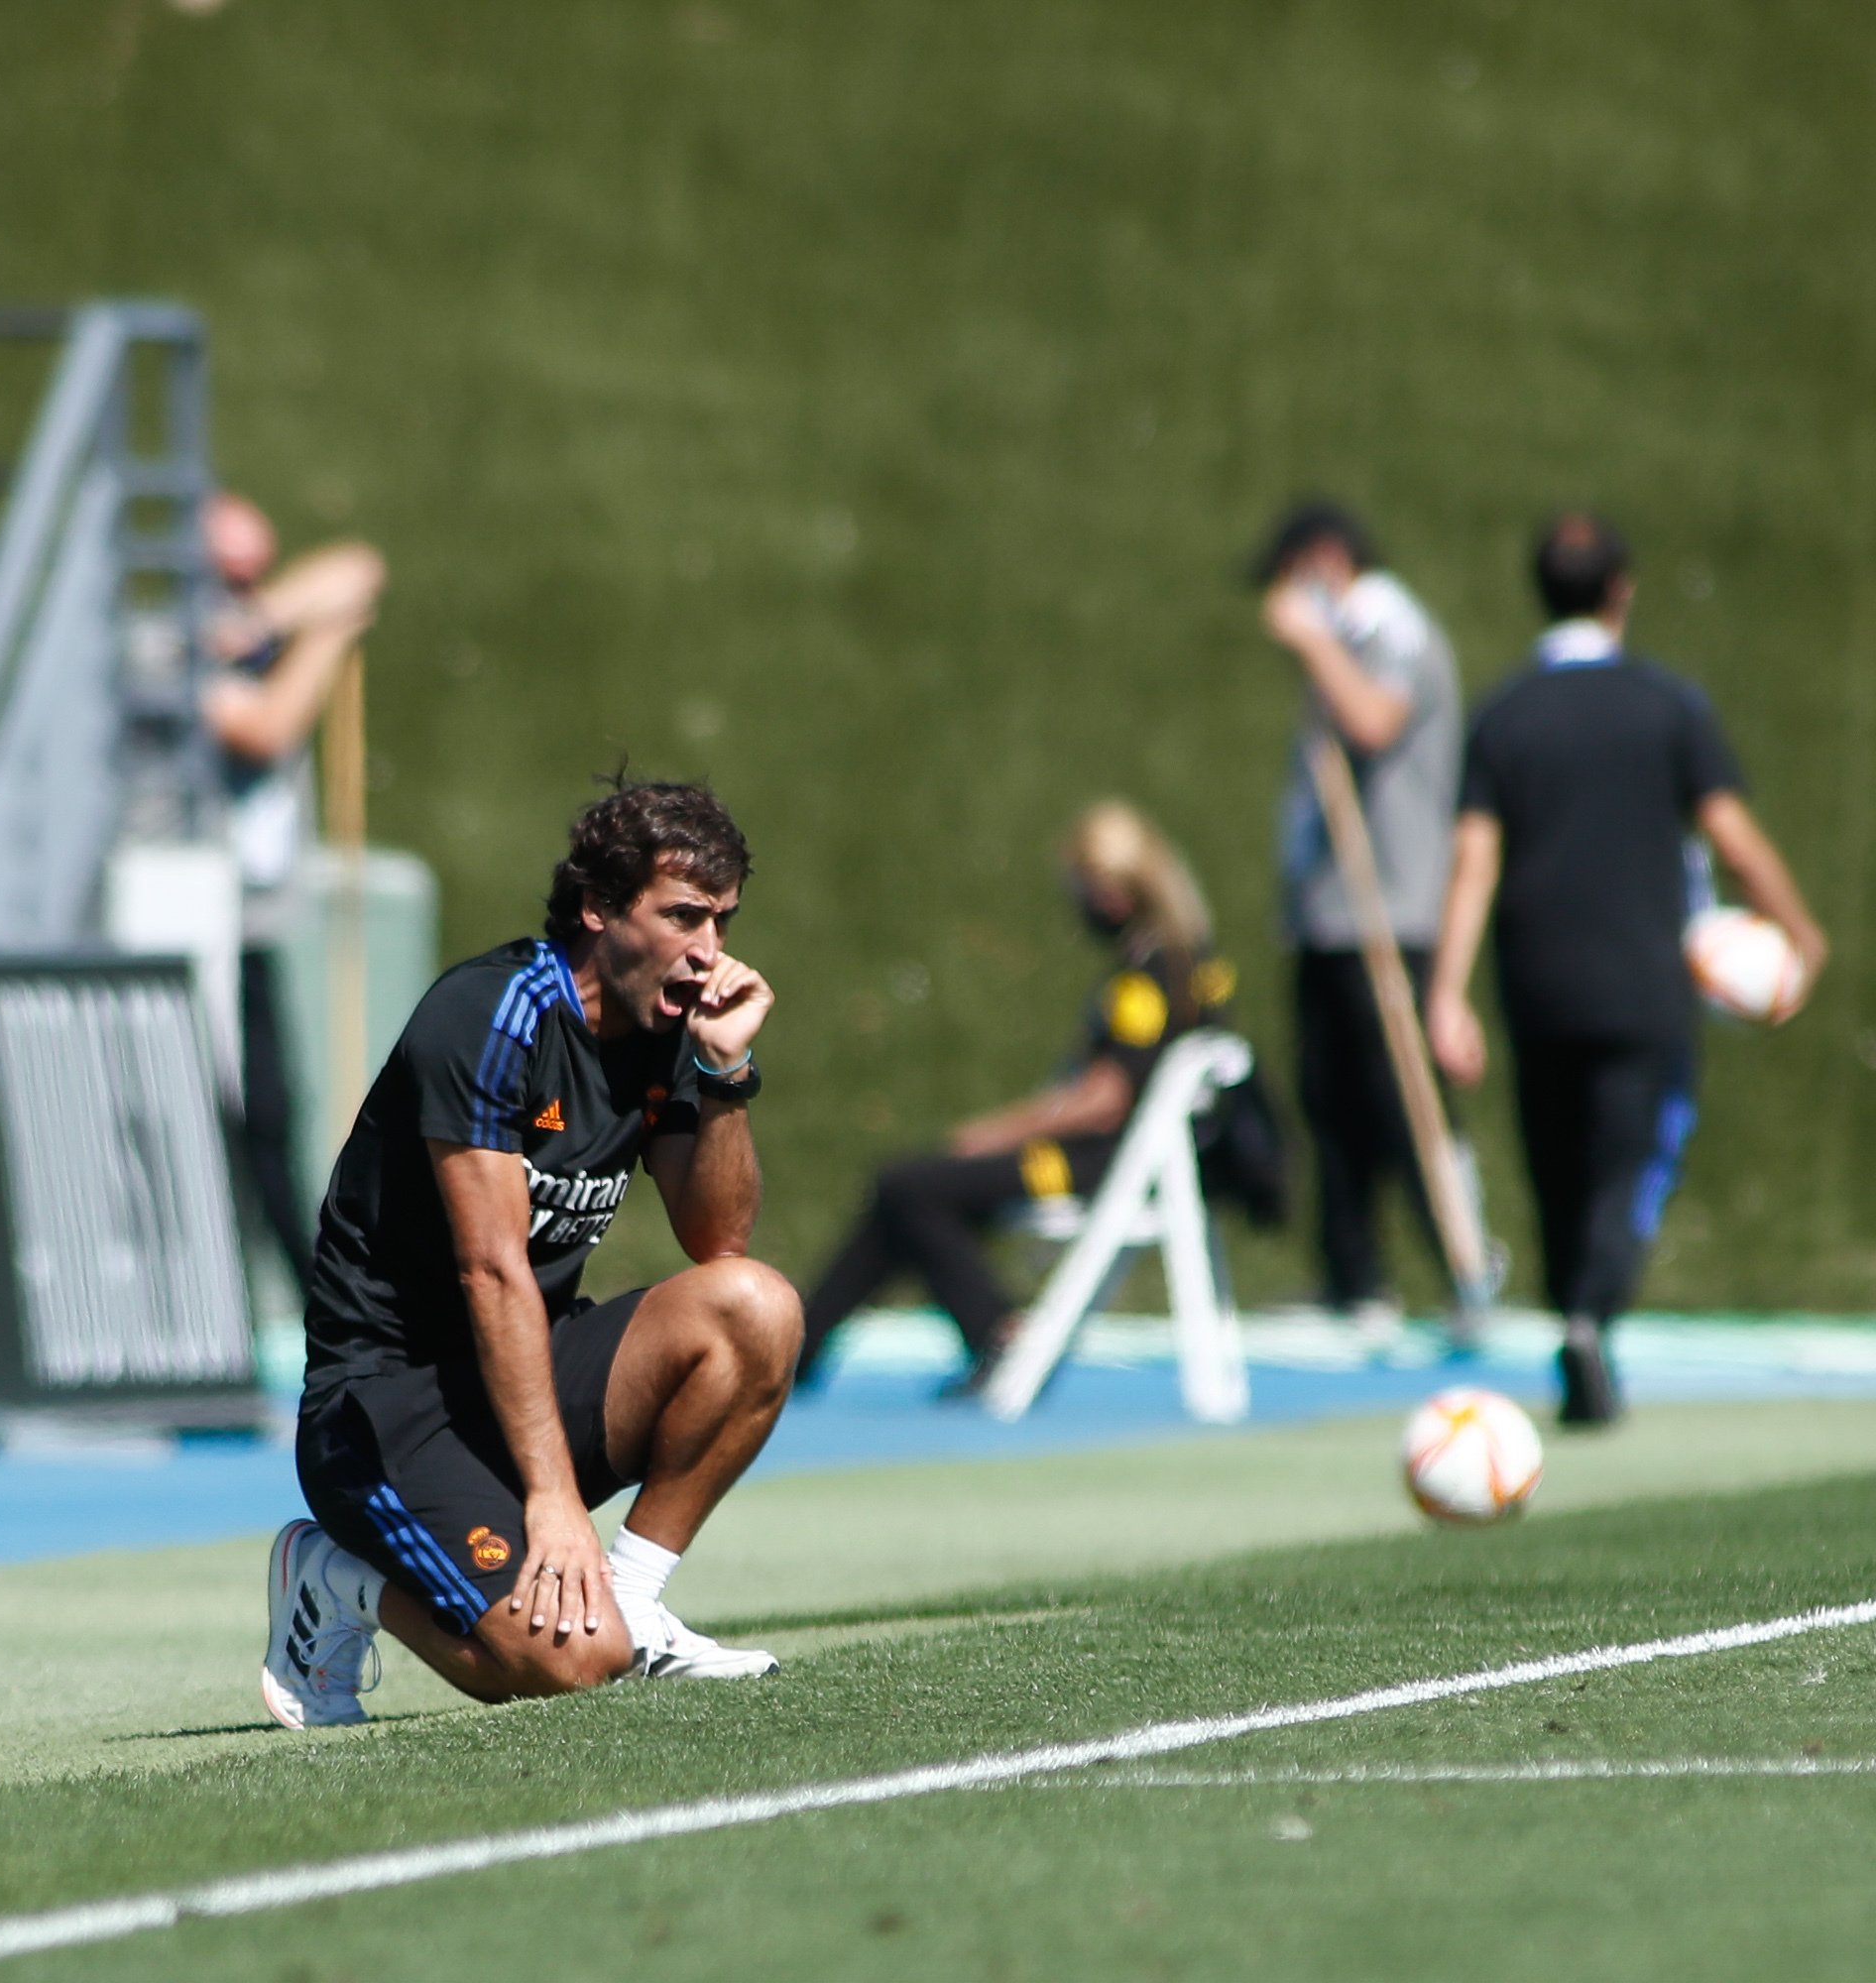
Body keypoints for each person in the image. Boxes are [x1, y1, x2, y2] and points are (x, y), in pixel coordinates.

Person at [262, 779, 802, 1727]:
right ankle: (335, 1580)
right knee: (572, 1664)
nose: (709, 952)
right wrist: (555, 1501)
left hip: (521, 1375)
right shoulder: (490, 1014)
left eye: (720, 921)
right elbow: (491, 1269)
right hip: (384, 1406)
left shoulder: (672, 1028)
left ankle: (634, 1596)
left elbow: (720, 1243)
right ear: (598, 907)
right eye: (682, 917)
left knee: (755, 1308)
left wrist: (723, 1072)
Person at [1424, 513, 1828, 1426]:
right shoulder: (1668, 706)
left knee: (1556, 1169)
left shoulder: (1503, 715)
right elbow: (1730, 835)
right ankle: (1591, 1316)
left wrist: (1447, 993)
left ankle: (1574, 1313)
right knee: (1626, 1167)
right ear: (1622, 589)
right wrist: (1799, 931)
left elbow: (1474, 860)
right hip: (1643, 979)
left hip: (1537, 980)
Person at [799, 800, 1236, 1396]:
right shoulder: (1194, 962)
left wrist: (1000, 1131)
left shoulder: (1148, 977)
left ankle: (991, 1333)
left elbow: (1104, 1098)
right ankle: (802, 1344)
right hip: (1126, 1159)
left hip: (1096, 1165)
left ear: (1113, 892)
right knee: (905, 1192)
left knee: (907, 1186)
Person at [1250, 501, 1463, 1334]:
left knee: (1403, 1100)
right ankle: (1353, 1277)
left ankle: (1461, 1265)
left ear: (1324, 559)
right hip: (1328, 914)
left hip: (1390, 908)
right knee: (1329, 1100)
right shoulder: (1350, 635)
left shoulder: (1388, 626)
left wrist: (1312, 641)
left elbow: (1376, 720)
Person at [198, 492, 387, 1291]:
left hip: (249, 920)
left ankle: (314, 1295)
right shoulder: (159, 646)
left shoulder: (248, 633)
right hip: (188, 920)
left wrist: (267, 618)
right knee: (219, 1119)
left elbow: (358, 568)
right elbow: (267, 726)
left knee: (273, 1109)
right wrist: (325, 637)